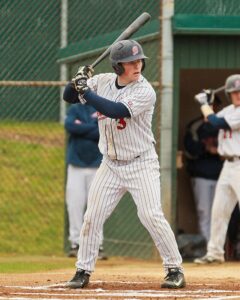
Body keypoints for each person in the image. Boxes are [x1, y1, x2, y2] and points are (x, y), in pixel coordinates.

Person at [63, 39, 186, 289]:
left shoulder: (145, 91)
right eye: (130, 62)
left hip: (141, 163)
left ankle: (174, 268)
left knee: (150, 215)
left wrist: (86, 90)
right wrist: (76, 79)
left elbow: (115, 110)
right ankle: (82, 270)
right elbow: (69, 97)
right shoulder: (104, 81)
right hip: (110, 164)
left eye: (139, 60)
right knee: (92, 217)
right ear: (118, 66)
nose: (137, 65)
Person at [193, 74, 240, 264]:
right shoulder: (229, 109)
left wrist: (204, 104)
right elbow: (208, 126)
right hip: (227, 166)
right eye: (234, 92)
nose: (238, 95)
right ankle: (214, 253)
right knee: (219, 210)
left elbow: (218, 123)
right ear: (229, 94)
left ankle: (214, 252)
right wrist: (210, 102)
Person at [64, 103, 106, 260]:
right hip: (76, 165)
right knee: (74, 204)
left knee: (97, 206)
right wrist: (92, 127)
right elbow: (70, 126)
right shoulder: (74, 109)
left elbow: (102, 131)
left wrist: (82, 127)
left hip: (97, 165)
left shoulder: (101, 108)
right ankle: (75, 243)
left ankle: (97, 244)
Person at [184, 94, 223, 244]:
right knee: (204, 212)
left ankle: (217, 247)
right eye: (209, 105)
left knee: (220, 213)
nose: (212, 108)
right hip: (201, 175)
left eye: (214, 105)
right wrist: (206, 147)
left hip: (222, 174)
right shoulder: (195, 126)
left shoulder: (223, 124)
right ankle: (207, 247)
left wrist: (219, 151)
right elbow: (189, 150)